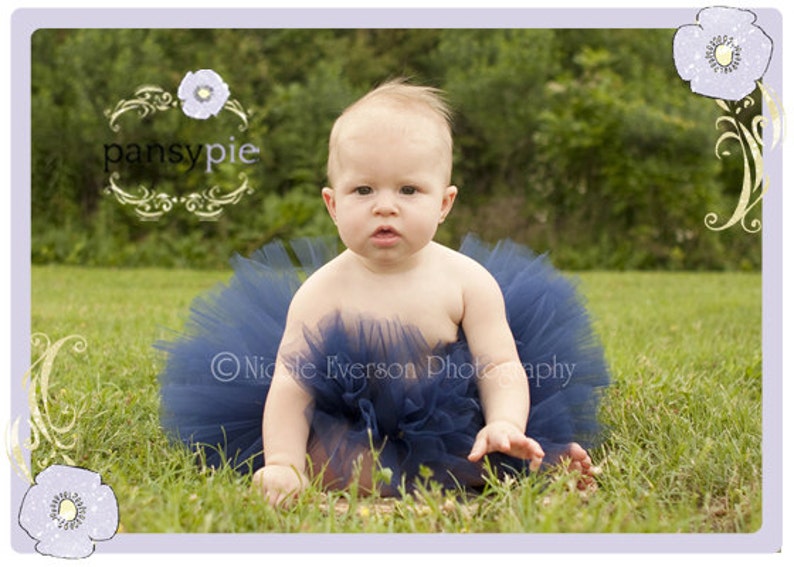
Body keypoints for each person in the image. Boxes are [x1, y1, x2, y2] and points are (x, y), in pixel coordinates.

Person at [158, 79, 610, 507]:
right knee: (333, 462)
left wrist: (504, 422)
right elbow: (292, 386)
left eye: (409, 189)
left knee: (487, 448)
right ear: (333, 205)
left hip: (454, 421)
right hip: (356, 426)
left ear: (444, 203)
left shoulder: (467, 281)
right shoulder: (321, 293)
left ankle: (528, 456)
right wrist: (283, 462)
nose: (385, 206)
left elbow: (499, 365)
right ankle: (351, 472)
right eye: (363, 189)